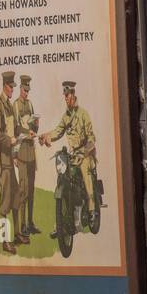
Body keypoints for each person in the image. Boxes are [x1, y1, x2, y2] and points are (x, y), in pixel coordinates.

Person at [40, 80, 98, 216]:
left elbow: (91, 139)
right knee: (62, 176)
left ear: (73, 94)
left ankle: (91, 210)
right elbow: (58, 131)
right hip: (72, 155)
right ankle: (63, 216)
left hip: (85, 154)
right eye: (64, 96)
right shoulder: (66, 117)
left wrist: (85, 151)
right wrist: (46, 136)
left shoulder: (83, 114)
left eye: (68, 95)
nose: (66, 98)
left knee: (85, 175)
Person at [0, 70, 25, 253]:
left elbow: (15, 126)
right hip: (3, 160)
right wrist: (10, 140)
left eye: (13, 87)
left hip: (11, 159)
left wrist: (26, 131)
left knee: (16, 196)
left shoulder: (10, 106)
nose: (13, 90)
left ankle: (17, 233)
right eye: (11, 87)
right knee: (5, 201)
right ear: (5, 86)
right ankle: (5, 241)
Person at [14, 74, 41, 236]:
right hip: (22, 153)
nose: (26, 93)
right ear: (20, 88)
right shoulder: (15, 106)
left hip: (31, 152)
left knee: (31, 190)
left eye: (28, 90)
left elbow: (33, 129)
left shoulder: (30, 104)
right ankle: (22, 226)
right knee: (23, 190)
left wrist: (36, 126)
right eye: (24, 90)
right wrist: (14, 155)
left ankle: (30, 223)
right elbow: (15, 130)